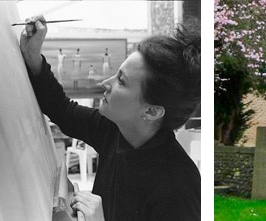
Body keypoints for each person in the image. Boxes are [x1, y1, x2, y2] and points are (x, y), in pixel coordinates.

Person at [19, 15, 200, 221]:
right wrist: (32, 55)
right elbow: (63, 110)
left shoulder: (180, 188)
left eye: (121, 81)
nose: (106, 82)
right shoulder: (114, 129)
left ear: (151, 112)